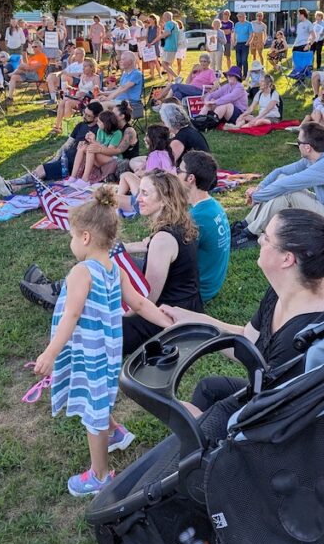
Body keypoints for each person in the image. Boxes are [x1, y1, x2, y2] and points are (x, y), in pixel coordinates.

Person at [32, 185, 174, 496]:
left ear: (84, 238)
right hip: (107, 353)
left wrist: (50, 352)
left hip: (88, 352)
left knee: (91, 411)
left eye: (72, 236)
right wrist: (166, 322)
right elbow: (139, 303)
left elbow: (70, 317)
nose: (71, 242)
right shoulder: (115, 270)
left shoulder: (81, 272)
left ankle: (100, 475)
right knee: (98, 397)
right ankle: (114, 432)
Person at [162, 210, 324, 423]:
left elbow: (270, 418)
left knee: (188, 416)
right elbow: (249, 338)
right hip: (273, 399)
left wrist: (200, 422)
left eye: (267, 237)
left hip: (285, 422)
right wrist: (193, 321)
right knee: (209, 387)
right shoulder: (289, 288)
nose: (260, 240)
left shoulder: (303, 334)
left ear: (287, 258)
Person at [231, 120, 324, 249]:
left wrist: (256, 196)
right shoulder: (315, 158)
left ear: (307, 147)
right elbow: (280, 172)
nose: (298, 145)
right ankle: (245, 225)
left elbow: (285, 186)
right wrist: (261, 187)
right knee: (281, 178)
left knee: (288, 194)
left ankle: (250, 234)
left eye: (298, 142)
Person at [120, 171, 203, 353]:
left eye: (145, 193)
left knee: (102, 331)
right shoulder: (178, 223)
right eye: (139, 192)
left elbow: (148, 297)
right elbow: (147, 244)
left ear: (164, 200)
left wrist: (117, 310)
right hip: (189, 302)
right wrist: (123, 248)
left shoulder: (163, 239)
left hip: (171, 314)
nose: (138, 198)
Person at [0, 103, 104, 194]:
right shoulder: (80, 125)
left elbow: (99, 149)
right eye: (84, 113)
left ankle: (10, 183)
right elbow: (67, 144)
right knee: (43, 173)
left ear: (96, 117)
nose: (85, 116)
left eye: (89, 116)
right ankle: (13, 186)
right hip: (65, 158)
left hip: (73, 164)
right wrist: (57, 156)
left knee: (41, 169)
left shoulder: (98, 131)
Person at [177, 150, 230, 303]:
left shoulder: (197, 217)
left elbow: (171, 256)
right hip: (210, 285)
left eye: (180, 170)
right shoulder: (213, 205)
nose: (176, 173)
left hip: (196, 291)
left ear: (191, 178)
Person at [116, 124, 176, 211]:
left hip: (155, 193)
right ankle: (122, 197)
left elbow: (150, 179)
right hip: (167, 191)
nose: (144, 138)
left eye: (147, 135)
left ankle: (120, 199)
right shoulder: (168, 153)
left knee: (126, 175)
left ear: (153, 139)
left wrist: (139, 173)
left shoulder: (154, 155)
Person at [50, 59, 101, 134]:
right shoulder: (82, 76)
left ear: (92, 67)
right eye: (83, 66)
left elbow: (97, 93)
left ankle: (67, 128)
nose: (83, 68)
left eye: (85, 66)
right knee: (62, 102)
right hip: (78, 98)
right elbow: (79, 89)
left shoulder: (96, 78)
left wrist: (85, 93)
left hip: (88, 100)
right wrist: (71, 88)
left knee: (68, 103)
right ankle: (57, 126)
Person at [232, 11, 253, 78]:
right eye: (238, 17)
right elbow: (235, 33)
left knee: (244, 60)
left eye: (240, 17)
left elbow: (251, 34)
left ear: (244, 17)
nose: (239, 18)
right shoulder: (237, 24)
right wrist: (234, 41)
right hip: (238, 43)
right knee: (238, 60)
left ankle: (245, 74)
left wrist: (248, 42)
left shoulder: (248, 24)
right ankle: (239, 74)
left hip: (245, 44)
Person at [159, 10, 179, 80]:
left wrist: (161, 36)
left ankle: (177, 77)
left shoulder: (168, 23)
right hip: (173, 46)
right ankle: (170, 80)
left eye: (163, 17)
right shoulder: (175, 23)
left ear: (167, 17)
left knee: (164, 64)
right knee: (168, 64)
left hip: (169, 47)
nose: (162, 18)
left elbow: (168, 33)